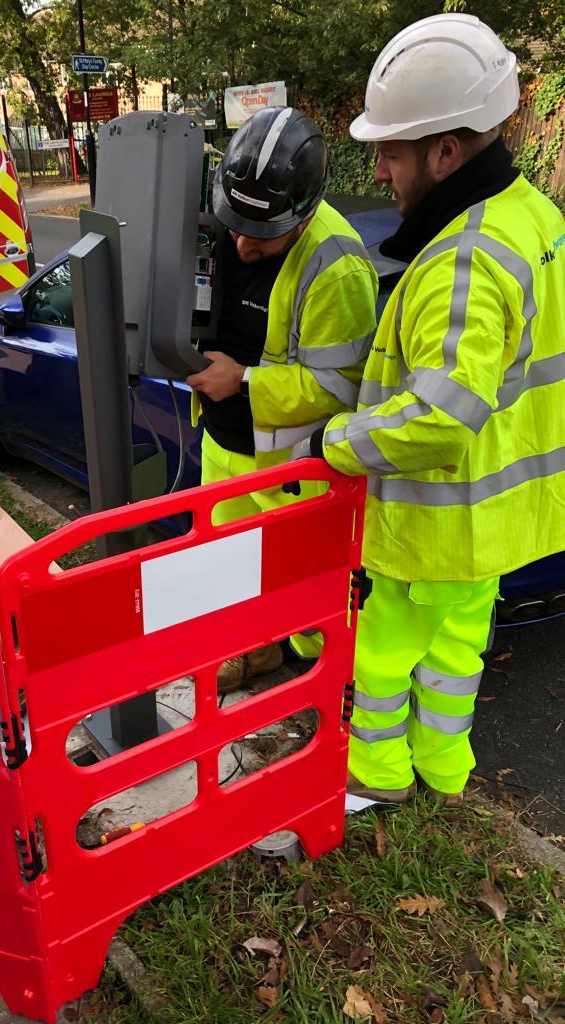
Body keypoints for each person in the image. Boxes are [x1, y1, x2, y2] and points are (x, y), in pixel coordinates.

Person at [299, 13, 565, 803]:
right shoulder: (535, 218)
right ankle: (445, 769)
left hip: (440, 513)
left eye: (390, 151)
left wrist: (338, 439)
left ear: (446, 152)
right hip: (502, 513)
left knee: (381, 656)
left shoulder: (465, 259)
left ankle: (378, 775)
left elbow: (440, 416)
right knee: (457, 650)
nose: (380, 171)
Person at [186, 106, 379, 692]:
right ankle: (256, 652)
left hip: (291, 467)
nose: (241, 243)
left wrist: (242, 380)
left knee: (305, 593)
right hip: (224, 444)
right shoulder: (233, 221)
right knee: (229, 572)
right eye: (234, 225)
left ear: (304, 214)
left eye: (262, 235)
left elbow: (336, 387)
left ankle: (326, 688)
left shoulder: (337, 267)